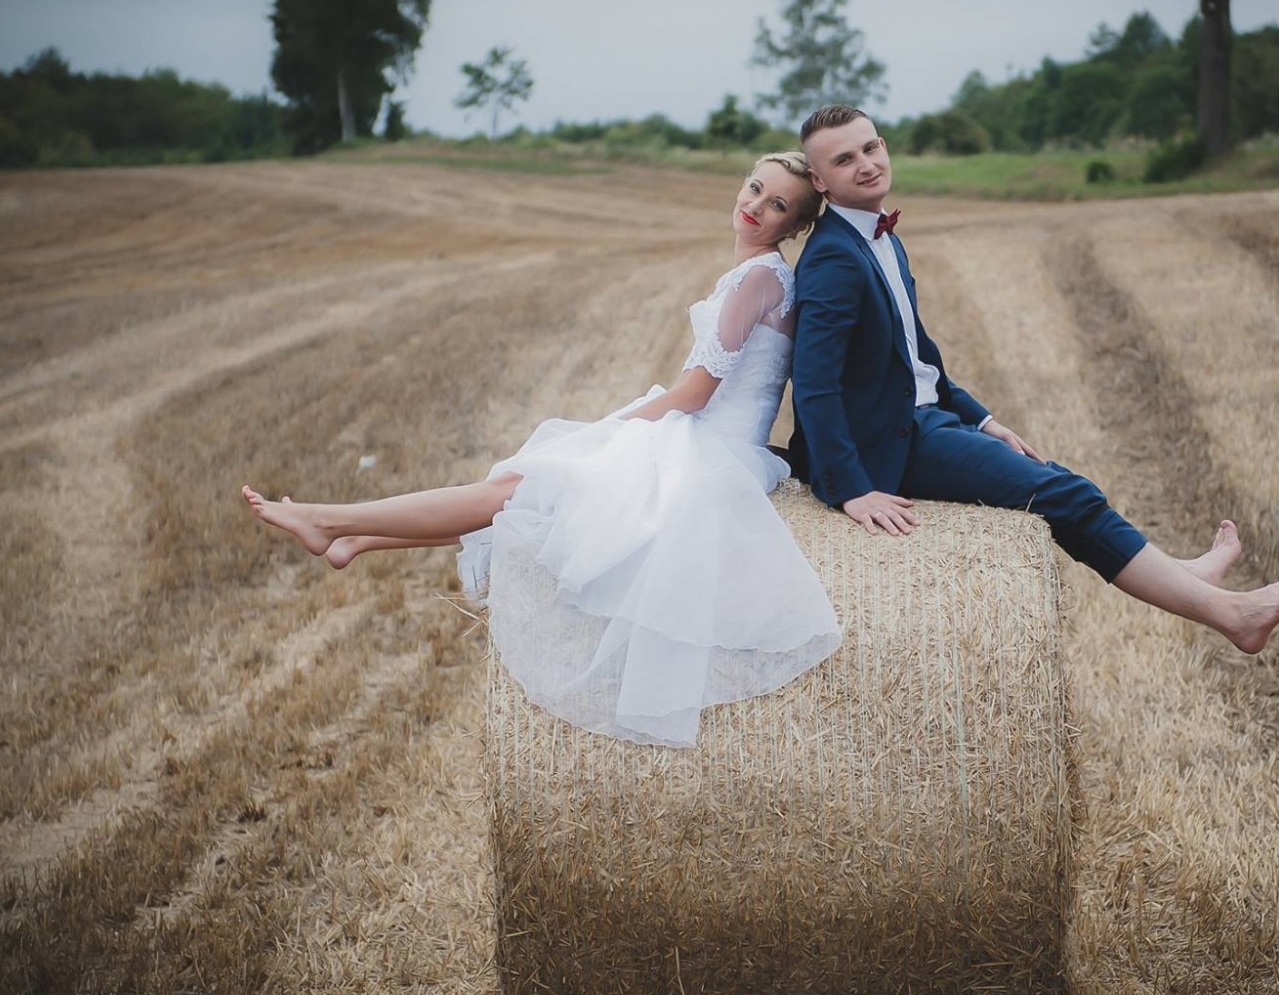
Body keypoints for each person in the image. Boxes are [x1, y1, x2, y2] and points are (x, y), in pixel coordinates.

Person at [243, 152, 841, 747]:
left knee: (520, 491)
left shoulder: (758, 277)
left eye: (778, 205)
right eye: (755, 188)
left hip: (706, 446)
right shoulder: (761, 275)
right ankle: (357, 538)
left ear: (795, 226)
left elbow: (693, 393)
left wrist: (611, 428)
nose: (756, 206)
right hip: (706, 439)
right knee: (525, 498)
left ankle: (330, 521)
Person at [787, 104, 1279, 654]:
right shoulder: (833, 261)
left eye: (870, 148)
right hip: (887, 445)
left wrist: (983, 419)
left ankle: (1180, 573)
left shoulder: (879, 238)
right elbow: (813, 383)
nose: (865, 164)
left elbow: (918, 359)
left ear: (885, 146)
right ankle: (1231, 615)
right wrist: (852, 488)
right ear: (820, 181)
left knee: (1058, 481)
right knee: (1063, 493)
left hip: (921, 419)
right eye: (844, 160)